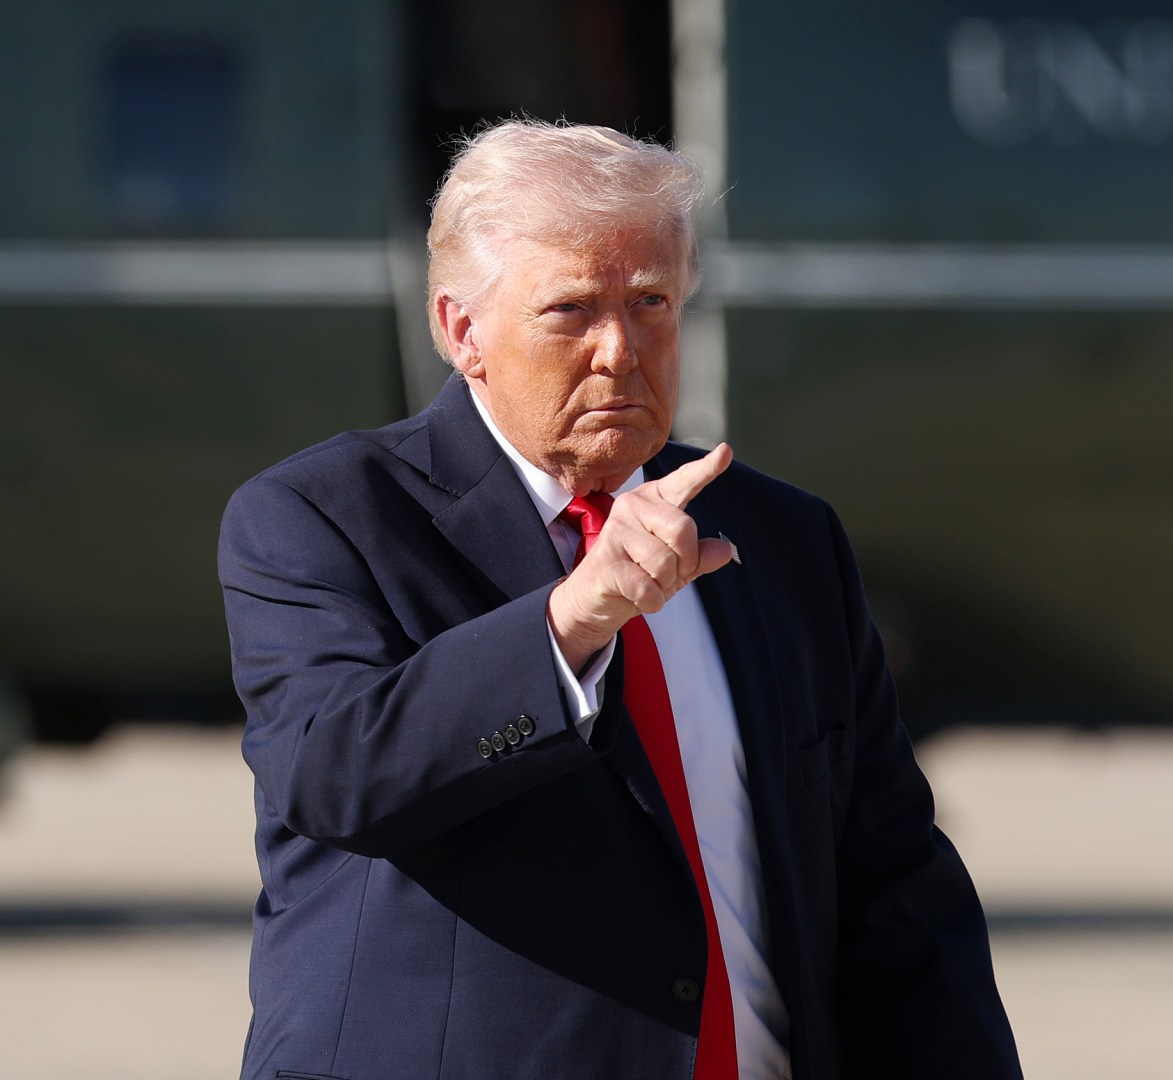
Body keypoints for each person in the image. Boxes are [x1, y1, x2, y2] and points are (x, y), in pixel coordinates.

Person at [218, 119, 1022, 1080]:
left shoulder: (782, 538)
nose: (619, 351)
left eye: (651, 302)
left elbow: (895, 892)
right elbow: (333, 773)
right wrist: (568, 627)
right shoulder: (322, 515)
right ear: (461, 330)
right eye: (570, 312)